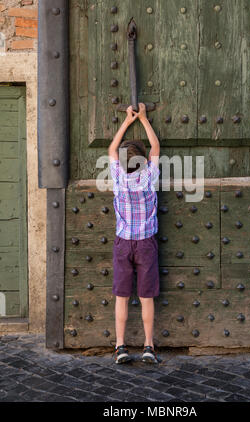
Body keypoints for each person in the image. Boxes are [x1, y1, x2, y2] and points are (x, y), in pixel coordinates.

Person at [108, 102, 160, 364]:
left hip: (123, 244)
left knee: (122, 296)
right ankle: (148, 346)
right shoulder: (149, 177)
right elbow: (156, 149)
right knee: (146, 295)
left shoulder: (118, 177)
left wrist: (127, 122)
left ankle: (120, 346)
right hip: (146, 244)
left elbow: (111, 151)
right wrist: (144, 119)